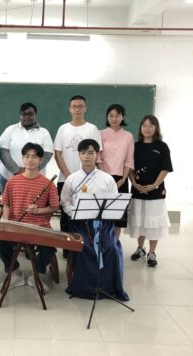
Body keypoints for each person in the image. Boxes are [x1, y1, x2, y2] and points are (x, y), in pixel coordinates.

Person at [61, 139, 128, 301]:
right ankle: (85, 287)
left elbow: (114, 203)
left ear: (97, 154)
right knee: (85, 247)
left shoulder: (107, 179)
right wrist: (76, 212)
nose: (86, 156)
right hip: (80, 224)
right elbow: (65, 201)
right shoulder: (72, 178)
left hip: (103, 224)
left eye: (91, 152)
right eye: (83, 153)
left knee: (111, 247)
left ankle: (108, 287)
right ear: (79, 154)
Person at [0, 143, 59, 293]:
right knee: (0, 243)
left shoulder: (47, 184)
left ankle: (34, 274)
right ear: (22, 159)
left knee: (49, 248)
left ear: (41, 160)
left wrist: (39, 210)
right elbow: (6, 204)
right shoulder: (12, 181)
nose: (30, 160)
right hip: (16, 225)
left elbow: (55, 207)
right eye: (27, 156)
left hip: (40, 226)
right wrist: (6, 221)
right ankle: (16, 273)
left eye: (34, 157)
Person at [54, 95, 102, 258]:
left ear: (85, 108)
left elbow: (97, 153)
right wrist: (70, 177)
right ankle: (67, 249)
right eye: (74, 106)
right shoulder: (63, 129)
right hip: (65, 179)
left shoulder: (92, 129)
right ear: (70, 109)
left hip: (89, 181)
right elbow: (58, 154)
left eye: (80, 106)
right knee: (66, 216)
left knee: (86, 215)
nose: (77, 109)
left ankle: (84, 248)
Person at [128, 115, 173, 268]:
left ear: (156, 128)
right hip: (138, 190)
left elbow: (165, 168)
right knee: (139, 221)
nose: (147, 128)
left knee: (153, 223)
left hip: (156, 192)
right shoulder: (135, 146)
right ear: (140, 128)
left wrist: (154, 185)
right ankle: (140, 249)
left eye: (151, 125)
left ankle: (152, 252)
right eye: (144, 125)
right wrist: (134, 183)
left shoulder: (162, 146)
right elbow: (129, 167)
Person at [0, 102, 54, 193]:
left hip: (35, 179)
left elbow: (47, 154)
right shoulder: (10, 130)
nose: (26, 117)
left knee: (32, 206)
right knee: (8, 206)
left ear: (35, 115)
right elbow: (3, 151)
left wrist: (31, 171)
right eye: (23, 114)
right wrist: (16, 171)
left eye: (30, 114)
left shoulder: (44, 132)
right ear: (20, 115)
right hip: (9, 177)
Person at [99, 104, 134, 238]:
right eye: (111, 116)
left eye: (117, 115)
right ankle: (103, 245)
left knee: (118, 218)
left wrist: (124, 179)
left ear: (122, 117)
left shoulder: (128, 136)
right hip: (103, 178)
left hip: (121, 180)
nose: (114, 118)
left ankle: (114, 245)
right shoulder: (101, 133)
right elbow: (98, 158)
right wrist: (105, 178)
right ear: (107, 117)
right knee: (103, 215)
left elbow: (129, 160)